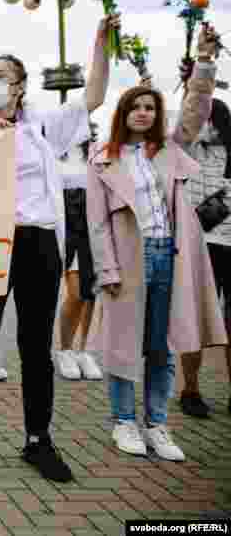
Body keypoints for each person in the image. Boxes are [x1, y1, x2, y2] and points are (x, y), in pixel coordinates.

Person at [0, 15, 116, 483]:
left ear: (20, 85)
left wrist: (101, 45)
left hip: (38, 240)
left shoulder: (43, 125)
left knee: (36, 346)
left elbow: (93, 97)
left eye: (1, 75)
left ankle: (38, 440)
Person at [87, 25, 227, 462]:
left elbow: (196, 109)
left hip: (170, 255)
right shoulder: (103, 159)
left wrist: (204, 63)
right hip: (128, 261)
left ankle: (157, 424)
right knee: (124, 344)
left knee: (161, 345)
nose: (143, 113)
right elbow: (96, 223)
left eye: (150, 107)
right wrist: (107, 269)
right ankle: (123, 421)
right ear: (123, 113)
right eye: (136, 107)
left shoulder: (168, 149)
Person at [179, 79, 231, 418]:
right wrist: (195, 83)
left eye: (211, 119)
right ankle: (190, 389)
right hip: (200, 246)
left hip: (228, 245)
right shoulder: (190, 151)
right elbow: (187, 116)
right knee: (195, 320)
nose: (205, 125)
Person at [55, 122, 103, 380]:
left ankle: (84, 351)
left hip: (93, 228)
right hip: (66, 229)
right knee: (76, 293)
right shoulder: (53, 151)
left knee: (90, 294)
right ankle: (64, 350)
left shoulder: (97, 152)